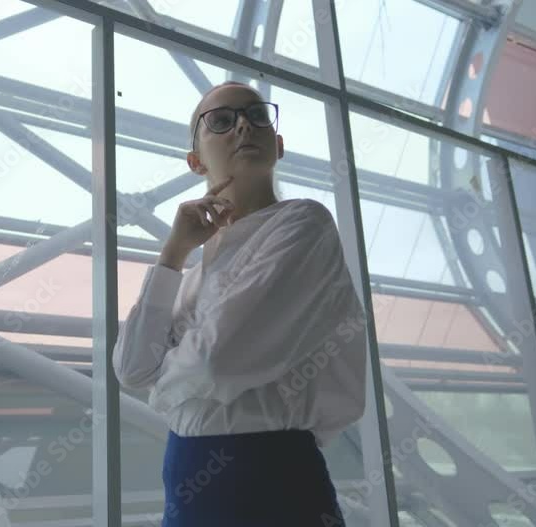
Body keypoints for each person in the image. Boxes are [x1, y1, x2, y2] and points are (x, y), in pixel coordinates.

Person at [112, 81, 368, 526]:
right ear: (195, 162)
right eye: (222, 120)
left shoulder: (304, 225)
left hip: (269, 471)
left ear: (278, 144)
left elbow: (219, 360)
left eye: (256, 115)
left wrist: (162, 383)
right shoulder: (191, 276)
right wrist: (173, 254)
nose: (244, 125)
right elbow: (132, 367)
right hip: (186, 471)